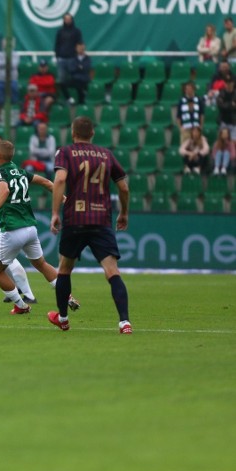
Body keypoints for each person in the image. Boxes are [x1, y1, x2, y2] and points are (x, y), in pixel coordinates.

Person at [50, 116, 131, 334]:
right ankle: (124, 322)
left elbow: (59, 180)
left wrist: (55, 212)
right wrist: (123, 213)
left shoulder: (65, 152)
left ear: (73, 132)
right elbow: (123, 187)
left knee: (65, 269)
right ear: (92, 133)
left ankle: (64, 319)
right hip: (101, 219)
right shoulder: (106, 154)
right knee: (112, 271)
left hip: (75, 219)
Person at [0, 140, 78, 315]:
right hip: (31, 229)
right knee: (41, 263)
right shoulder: (22, 172)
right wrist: (64, 199)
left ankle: (21, 305)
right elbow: (47, 182)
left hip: (12, 229)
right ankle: (68, 296)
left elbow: (4, 191)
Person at [0, 133, 52, 306]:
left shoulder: (7, 166)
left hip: (11, 219)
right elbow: (0, 187)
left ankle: (24, 294)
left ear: (0, 150)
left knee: (0, 263)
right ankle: (20, 291)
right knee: (13, 260)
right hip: (19, 220)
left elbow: (5, 189)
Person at [54, 13, 83, 85]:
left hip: (73, 58)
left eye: (69, 19)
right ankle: (64, 96)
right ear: (63, 20)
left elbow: (79, 44)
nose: (67, 21)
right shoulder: (60, 31)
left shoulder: (77, 31)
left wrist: (78, 57)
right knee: (62, 79)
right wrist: (57, 56)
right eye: (66, 19)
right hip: (61, 59)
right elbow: (57, 44)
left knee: (74, 79)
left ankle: (73, 96)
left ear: (72, 20)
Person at [0, 37, 19, 104]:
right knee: (0, 99)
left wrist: (4, 64)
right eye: (4, 44)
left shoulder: (15, 54)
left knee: (14, 95)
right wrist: (7, 63)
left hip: (12, 80)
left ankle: (14, 108)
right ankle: (1, 110)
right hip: (1, 80)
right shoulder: (0, 54)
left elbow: (14, 64)